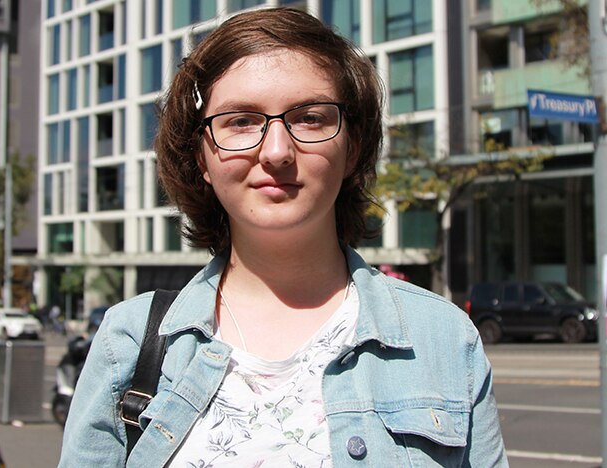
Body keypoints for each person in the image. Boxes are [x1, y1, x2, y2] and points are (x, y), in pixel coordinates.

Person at [60, 7, 507, 466]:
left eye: (310, 118)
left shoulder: (443, 338)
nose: (276, 151)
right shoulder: (130, 342)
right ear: (201, 159)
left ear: (352, 148)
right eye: (240, 121)